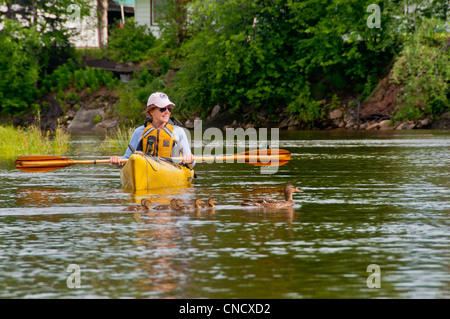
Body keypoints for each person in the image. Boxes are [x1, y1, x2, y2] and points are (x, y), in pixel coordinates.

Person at [109, 92, 194, 167]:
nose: (167, 112)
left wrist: (189, 159)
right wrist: (118, 160)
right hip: (145, 169)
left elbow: (192, 163)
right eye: (163, 109)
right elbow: (126, 158)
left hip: (172, 169)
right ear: (151, 111)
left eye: (169, 109)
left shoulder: (179, 131)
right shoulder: (139, 132)